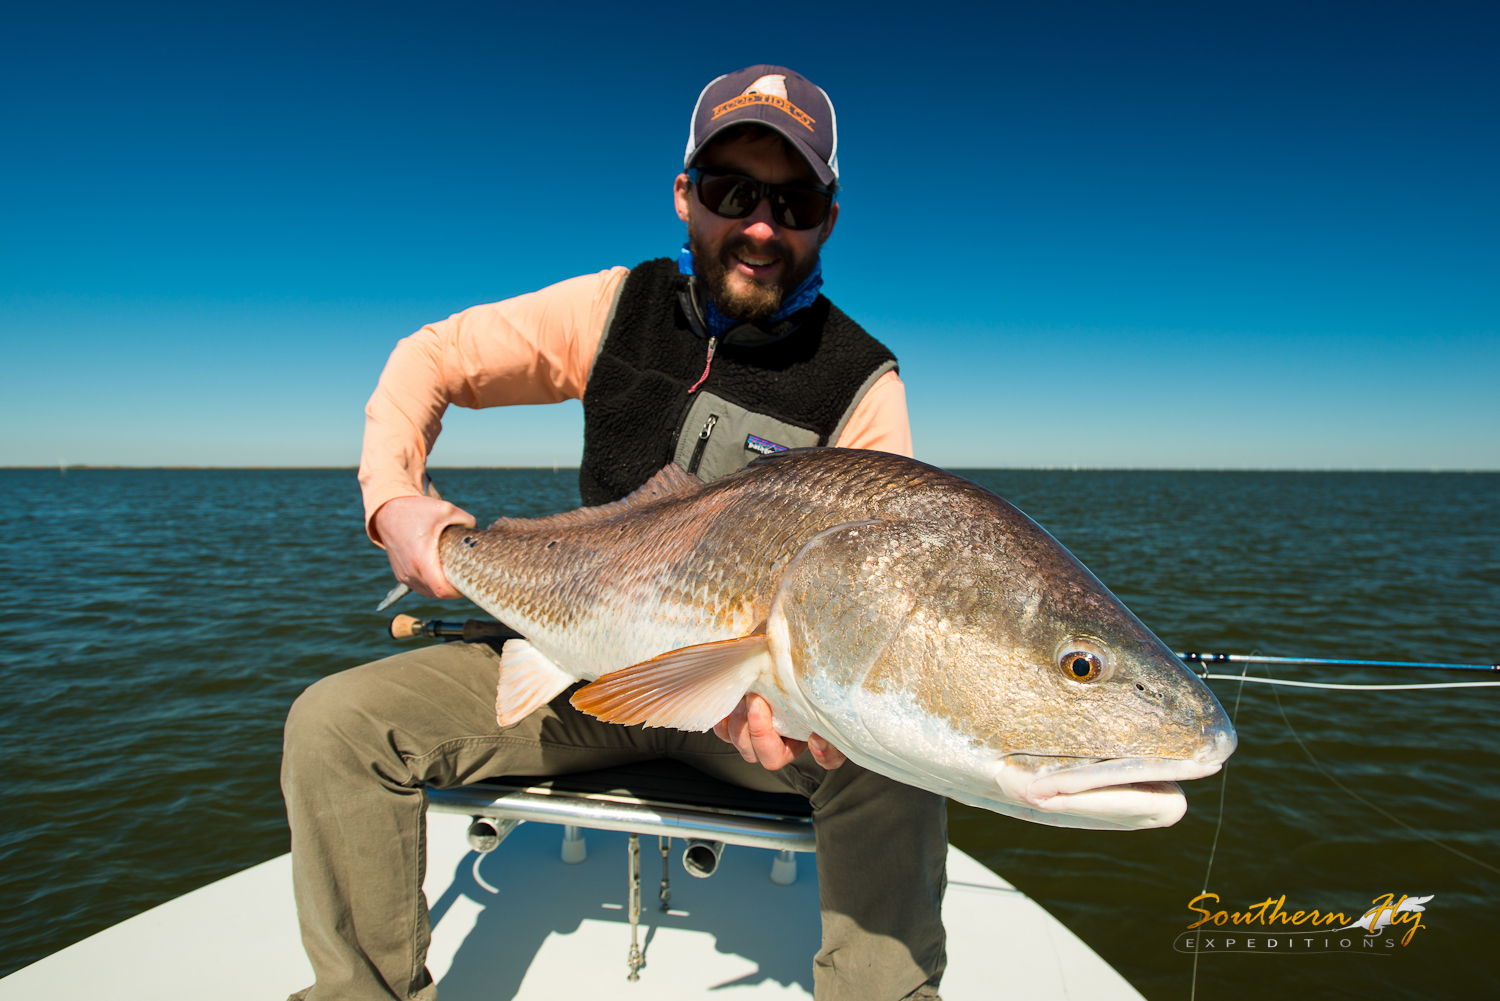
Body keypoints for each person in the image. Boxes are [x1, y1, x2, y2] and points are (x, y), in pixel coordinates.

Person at [282, 65, 947, 1001]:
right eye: (733, 191)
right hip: (571, 662)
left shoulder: (864, 383)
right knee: (333, 728)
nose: (761, 224)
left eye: (793, 200)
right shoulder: (614, 307)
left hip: (745, 712)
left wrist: (807, 711)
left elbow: (878, 597)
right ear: (686, 197)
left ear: (827, 218)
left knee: (898, 767)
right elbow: (427, 359)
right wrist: (397, 503)